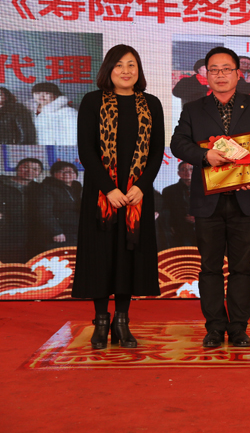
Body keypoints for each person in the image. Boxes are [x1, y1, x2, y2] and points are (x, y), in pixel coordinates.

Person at [170, 46, 250, 348]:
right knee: (210, 268)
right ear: (206, 76)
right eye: (213, 69)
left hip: (245, 198)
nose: (220, 75)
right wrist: (205, 156)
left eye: (227, 69)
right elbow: (178, 144)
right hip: (208, 200)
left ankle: (238, 328)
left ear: (238, 74)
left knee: (242, 268)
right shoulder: (193, 108)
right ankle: (214, 327)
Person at [71, 44, 165, 350]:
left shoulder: (151, 104)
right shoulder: (92, 101)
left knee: (129, 255)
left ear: (139, 70)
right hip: (102, 195)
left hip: (136, 196)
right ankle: (101, 321)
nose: (126, 70)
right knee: (101, 255)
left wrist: (142, 186)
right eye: (119, 65)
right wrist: (108, 189)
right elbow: (86, 150)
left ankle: (122, 321)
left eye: (131, 65)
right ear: (108, 70)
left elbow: (156, 151)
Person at [27, 161, 82, 256]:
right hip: (60, 233)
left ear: (76, 174)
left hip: (75, 230)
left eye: (70, 171)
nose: (66, 174)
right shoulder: (46, 188)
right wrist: (56, 232)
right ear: (53, 173)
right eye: (62, 171)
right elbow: (44, 212)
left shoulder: (77, 187)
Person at [162, 161, 197, 248]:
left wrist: (198, 217)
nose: (188, 172)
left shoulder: (205, 189)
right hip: (180, 231)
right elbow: (166, 212)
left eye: (191, 169)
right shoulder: (169, 191)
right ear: (179, 173)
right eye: (183, 169)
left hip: (202, 229)